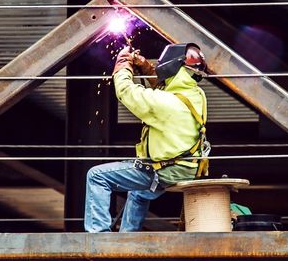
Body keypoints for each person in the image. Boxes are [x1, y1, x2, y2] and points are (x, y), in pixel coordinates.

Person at [84, 43, 210, 233]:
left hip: (165, 169)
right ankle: (127, 238)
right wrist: (145, 67)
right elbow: (167, 88)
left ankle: (98, 238)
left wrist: (123, 65)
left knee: (96, 176)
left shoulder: (166, 103)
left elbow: (126, 91)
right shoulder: (195, 94)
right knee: (139, 192)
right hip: (187, 167)